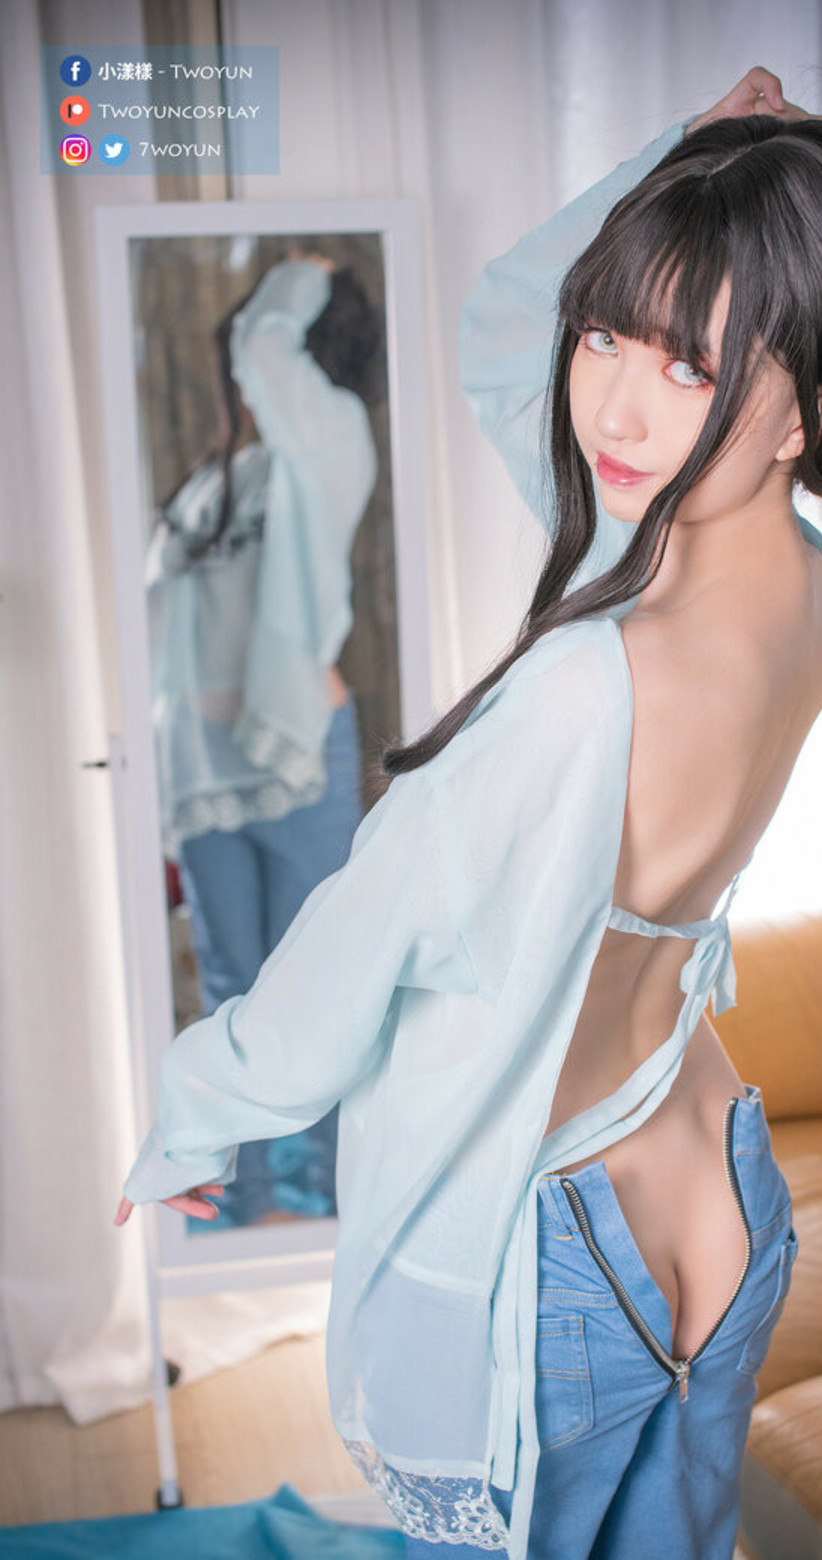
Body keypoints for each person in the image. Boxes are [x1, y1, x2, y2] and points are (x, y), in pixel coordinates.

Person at [116, 66, 822, 1560]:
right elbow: (506, 337)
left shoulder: (591, 684)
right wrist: (693, 163)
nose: (612, 406)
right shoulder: (808, 597)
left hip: (566, 1248)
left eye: (689, 367)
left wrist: (195, 1115)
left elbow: (349, 953)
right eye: (604, 335)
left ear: (804, 410)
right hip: (721, 1192)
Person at [146, 253, 383, 1225]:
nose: (244, 375)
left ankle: (326, 1208)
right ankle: (239, 1214)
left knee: (311, 1002)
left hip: (297, 759)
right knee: (229, 999)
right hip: (202, 772)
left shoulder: (330, 438)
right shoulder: (214, 483)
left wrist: (296, 279)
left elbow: (262, 349)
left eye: (261, 350)